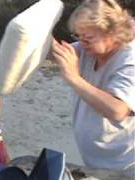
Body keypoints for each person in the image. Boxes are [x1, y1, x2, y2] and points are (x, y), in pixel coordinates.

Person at [51, 0, 135, 177]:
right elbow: (55, 52)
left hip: (127, 167)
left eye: (87, 37)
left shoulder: (130, 59)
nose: (81, 43)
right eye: (78, 36)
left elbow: (117, 109)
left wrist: (74, 78)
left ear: (111, 32)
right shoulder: (88, 49)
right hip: (97, 162)